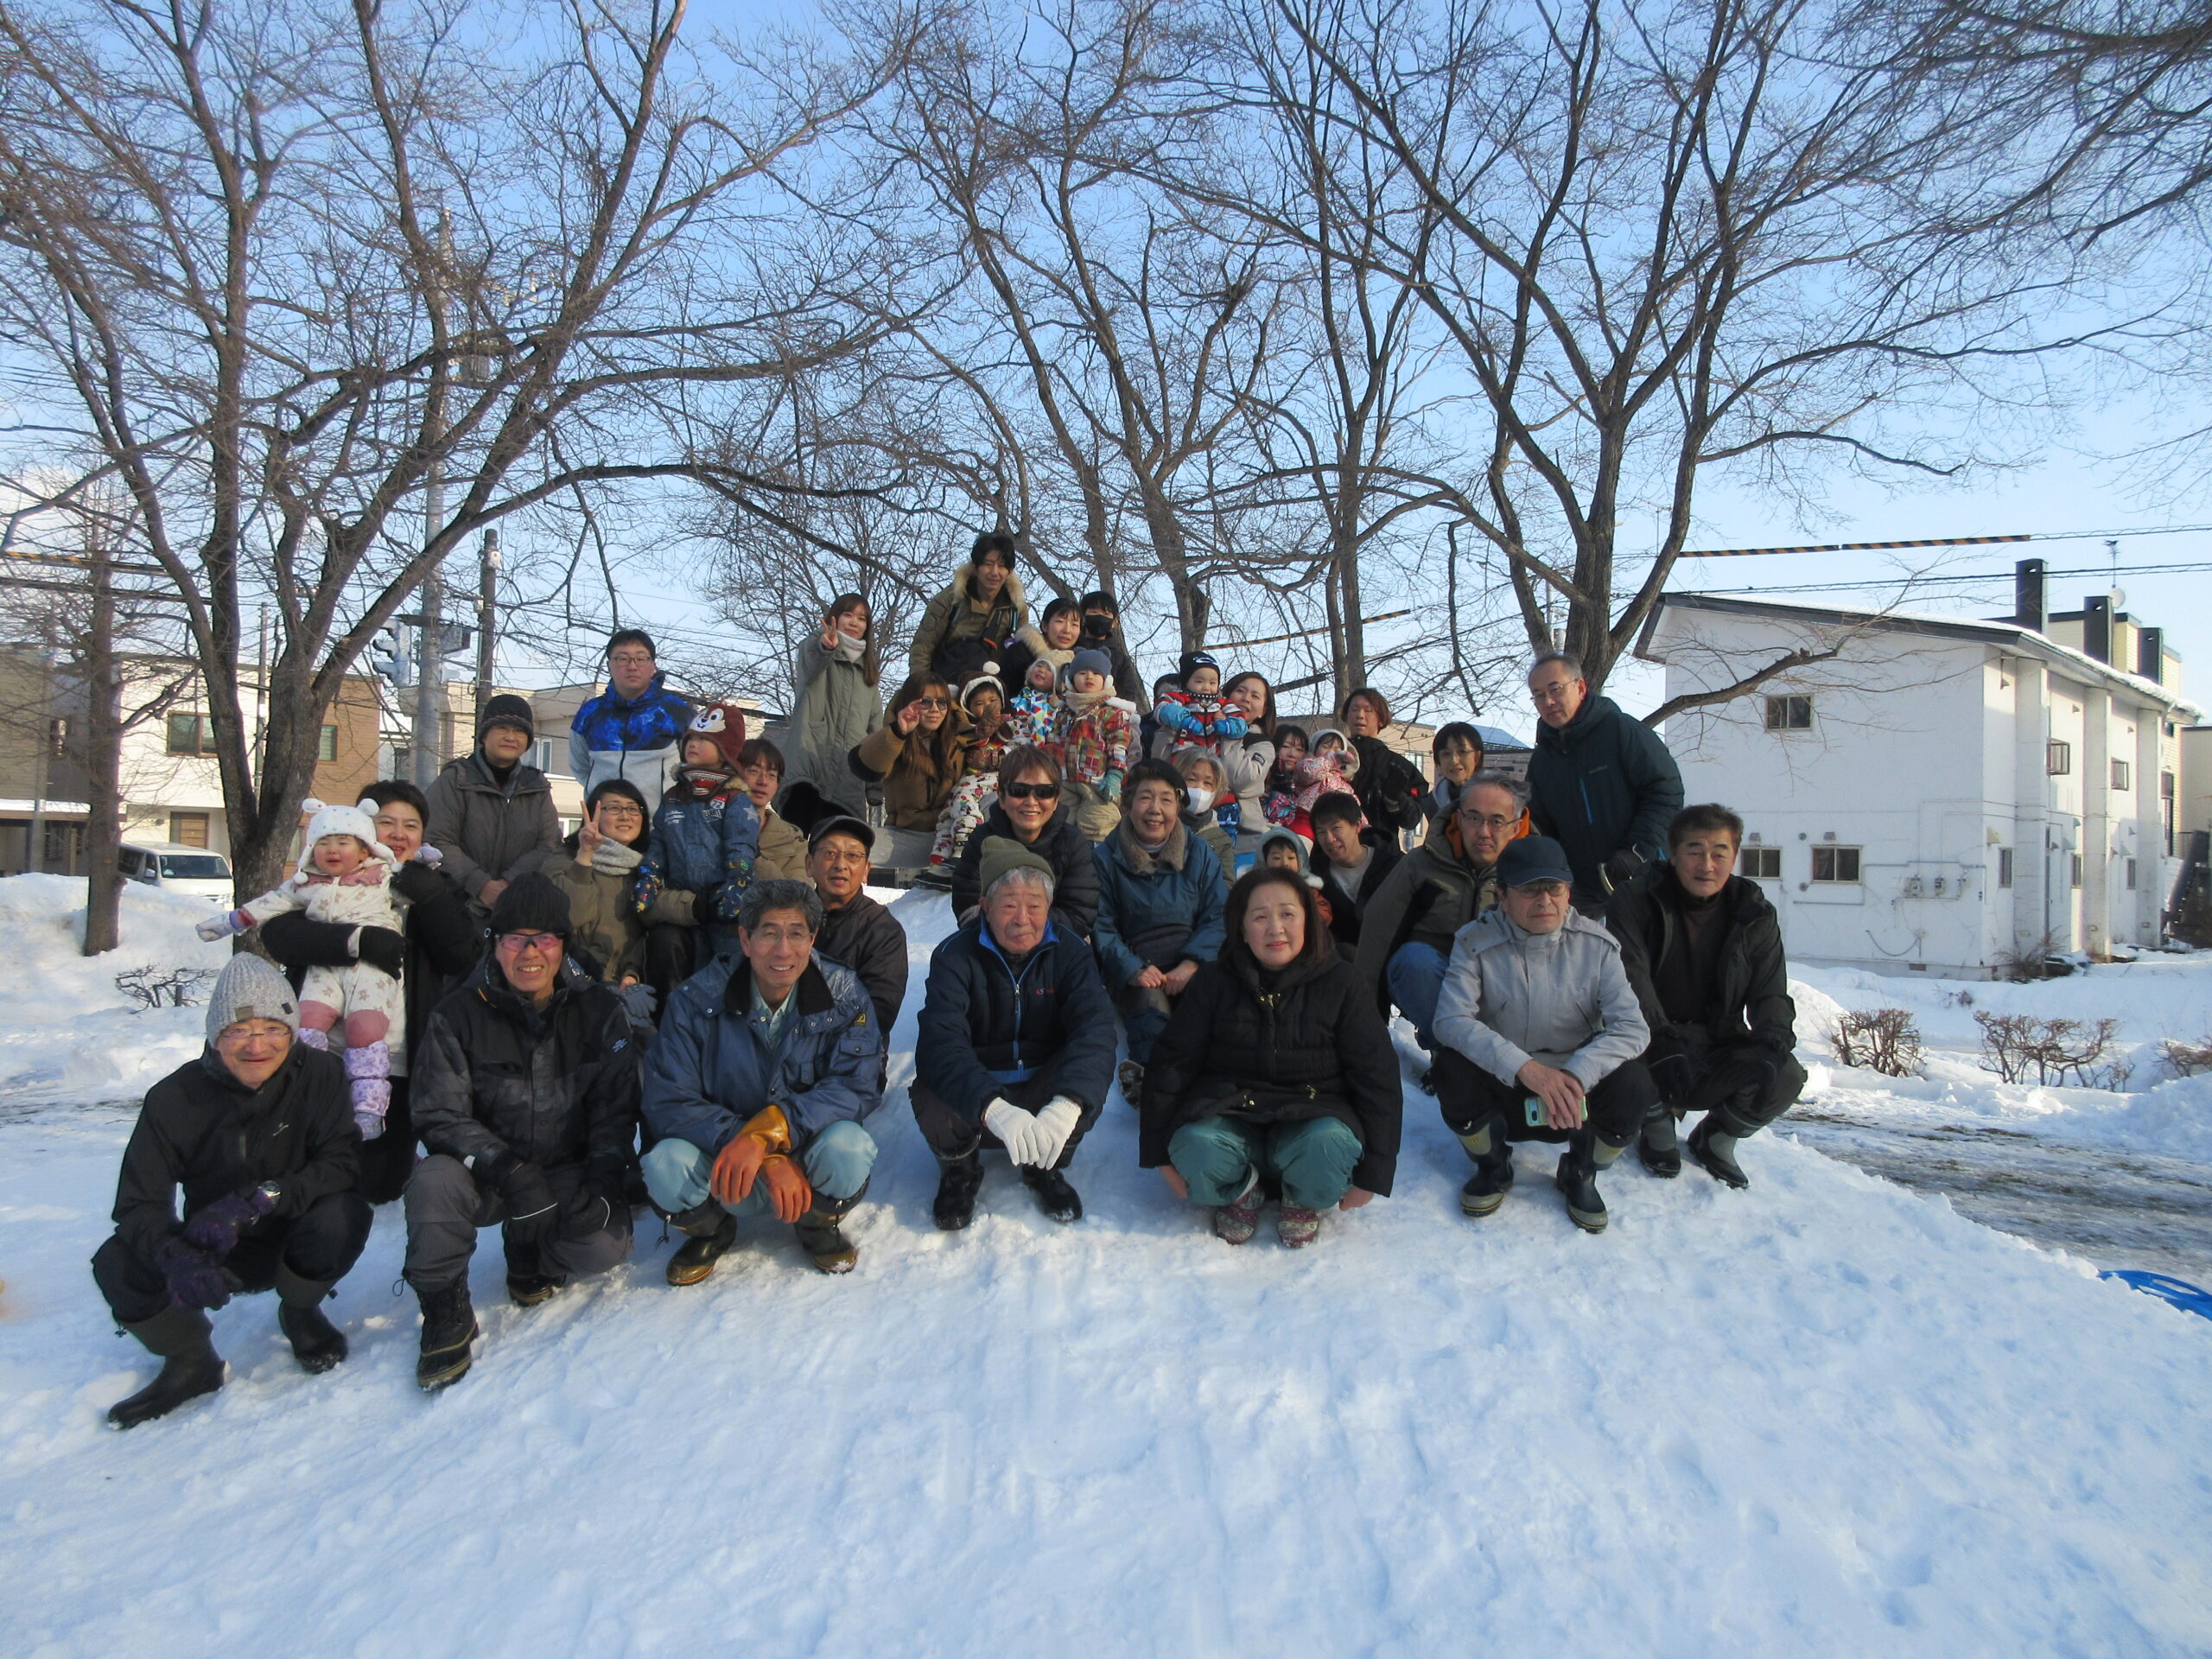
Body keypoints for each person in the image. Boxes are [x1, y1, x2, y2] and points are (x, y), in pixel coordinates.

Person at [92, 955, 371, 1427]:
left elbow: (340, 1164)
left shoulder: (321, 1074)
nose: (257, 1046)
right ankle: (191, 1361)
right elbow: (137, 1204)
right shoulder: (172, 1099)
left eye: (273, 1029)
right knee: (116, 1261)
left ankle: (300, 1310)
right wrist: (174, 1253)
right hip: (214, 1246)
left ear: (292, 1031)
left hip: (292, 1229)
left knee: (344, 1214)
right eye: (238, 1031)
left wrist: (264, 1198)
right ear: (214, 1035)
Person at [402, 874, 639, 1389]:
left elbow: (615, 1106)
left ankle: (530, 1248)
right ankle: (444, 1309)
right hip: (490, 1175)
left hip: (564, 1168)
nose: (530, 952)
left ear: (563, 944)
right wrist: (507, 1169)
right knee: (434, 1181)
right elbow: (438, 1113)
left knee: (604, 1247)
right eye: (515, 938)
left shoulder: (599, 1009)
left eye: (544, 938)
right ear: (495, 942)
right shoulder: (458, 1013)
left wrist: (604, 1176)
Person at [1142, 868, 1402, 1249]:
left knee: (1330, 1144)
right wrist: (1159, 1155)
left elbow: (1377, 1077)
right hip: (1231, 1118)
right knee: (1193, 1145)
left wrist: (1375, 1173)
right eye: (1260, 916)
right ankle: (1240, 1191)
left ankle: (1301, 1196)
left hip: (1311, 1122)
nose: (1275, 928)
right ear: (1241, 927)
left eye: (1287, 914)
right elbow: (1171, 1065)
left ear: (1308, 920)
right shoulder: (1213, 982)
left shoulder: (1344, 983)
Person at [640, 879, 884, 1279]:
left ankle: (816, 1224)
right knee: (666, 1162)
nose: (783, 950)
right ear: (745, 939)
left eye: (796, 934)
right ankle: (712, 1230)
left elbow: (856, 1085)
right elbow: (668, 1099)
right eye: (769, 934)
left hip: (804, 1157)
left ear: (813, 939)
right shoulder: (695, 999)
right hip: (726, 1159)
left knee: (849, 1147)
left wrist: (775, 1129)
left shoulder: (845, 994)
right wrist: (753, 1146)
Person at [261, 780, 480, 1205]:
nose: (399, 834)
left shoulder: (434, 886)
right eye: (387, 822)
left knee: (379, 1185)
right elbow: (279, 935)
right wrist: (356, 941)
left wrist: (429, 894)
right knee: (314, 1173)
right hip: (324, 1046)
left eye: (411, 825)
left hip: (397, 1055)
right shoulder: (323, 879)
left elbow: (464, 955)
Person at [1432, 836, 1656, 1234]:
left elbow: (1632, 1028)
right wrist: (1525, 1068)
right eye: (1530, 889)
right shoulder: (1473, 942)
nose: (1545, 900)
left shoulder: (1598, 946)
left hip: (1574, 1097)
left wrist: (1576, 1074)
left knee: (1635, 1082)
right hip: (1507, 1083)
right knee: (1450, 1067)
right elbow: (1450, 1019)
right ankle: (1493, 1166)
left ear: (1569, 891)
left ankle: (1581, 1171)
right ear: (1502, 895)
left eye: (1554, 888)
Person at [914, 842, 1117, 1230]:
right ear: (985, 907)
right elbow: (941, 1040)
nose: (1023, 919)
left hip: (1042, 1087)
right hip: (979, 1097)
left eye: (1034, 905)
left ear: (1049, 906)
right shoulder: (954, 956)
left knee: (1085, 1076)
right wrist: (991, 1106)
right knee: (931, 1086)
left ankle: (1045, 1166)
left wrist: (1067, 1104)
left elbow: (1095, 1030)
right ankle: (960, 1170)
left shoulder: (1072, 953)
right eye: (1008, 905)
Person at [1606, 804, 1806, 1187]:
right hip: (1646, 1039)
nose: (1707, 865)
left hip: (1717, 1040)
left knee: (1786, 1074)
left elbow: (1770, 991)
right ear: (1673, 854)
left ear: (1735, 855)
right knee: (1618, 1062)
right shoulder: (1635, 899)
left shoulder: (1753, 911)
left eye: (1719, 853)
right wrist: (1660, 1038)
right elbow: (1629, 977)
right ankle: (1656, 1123)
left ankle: (1717, 1138)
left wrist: (1772, 1042)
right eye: (1695, 851)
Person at [196, 798, 406, 1139]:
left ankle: (368, 1108)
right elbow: (270, 904)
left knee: (365, 1031)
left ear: (364, 851)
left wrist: (429, 867)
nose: (332, 850)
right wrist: (230, 922)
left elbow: (419, 890)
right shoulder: (305, 884)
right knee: (307, 1024)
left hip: (371, 969)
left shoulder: (382, 877)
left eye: (343, 842)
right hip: (324, 965)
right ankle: (305, 1092)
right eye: (324, 843)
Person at [1354, 772, 1525, 1067]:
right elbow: (1378, 931)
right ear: (1459, 817)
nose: (1484, 832)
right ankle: (1450, 1055)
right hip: (1438, 980)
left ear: (1516, 826)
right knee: (1413, 962)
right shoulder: (1422, 863)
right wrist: (1365, 1018)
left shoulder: (1532, 875)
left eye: (1496, 821)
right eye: (1474, 818)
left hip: (1506, 986)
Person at [1091, 759, 1228, 1106]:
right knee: (1150, 1010)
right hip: (1140, 970)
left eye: (1166, 800)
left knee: (1208, 1007)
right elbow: (1101, 925)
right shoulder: (1105, 858)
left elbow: (1218, 915)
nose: (1155, 809)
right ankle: (1155, 1083)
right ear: (1128, 805)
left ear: (1178, 808)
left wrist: (1193, 963)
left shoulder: (1199, 852)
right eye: (1145, 797)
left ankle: (1213, 1080)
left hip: (1192, 964)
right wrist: (1133, 969)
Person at [1525, 652, 1685, 912]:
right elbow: (1540, 826)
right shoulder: (1542, 761)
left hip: (1645, 878)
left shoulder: (1621, 731)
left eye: (1555, 689)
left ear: (1580, 687)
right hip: (1581, 891)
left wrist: (1636, 852)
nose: (1549, 701)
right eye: (1539, 695)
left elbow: (1666, 792)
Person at [632, 703, 764, 1001]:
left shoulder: (734, 798)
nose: (694, 743)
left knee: (725, 976)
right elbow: (659, 842)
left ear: (725, 750)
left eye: (705, 739)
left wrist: (737, 882)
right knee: (685, 974)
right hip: (685, 907)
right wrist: (650, 876)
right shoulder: (673, 797)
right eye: (691, 738)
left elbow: (741, 844)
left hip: (725, 908)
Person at [425, 692, 560, 910]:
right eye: (502, 728)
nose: (510, 737)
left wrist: (508, 883)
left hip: (518, 905)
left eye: (519, 731)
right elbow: (437, 839)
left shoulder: (536, 786)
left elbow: (549, 845)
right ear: (484, 735)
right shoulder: (456, 779)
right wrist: (480, 884)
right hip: (458, 904)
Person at [950, 745, 1101, 937]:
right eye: (1019, 790)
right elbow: (968, 906)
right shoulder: (982, 841)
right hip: (993, 942)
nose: (1031, 801)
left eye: (1044, 792)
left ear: (1056, 800)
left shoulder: (1072, 842)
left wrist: (1026, 929)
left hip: (1057, 942)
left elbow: (1080, 914)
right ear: (1001, 797)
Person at [804, 810, 908, 1042]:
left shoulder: (883, 930)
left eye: (853, 856)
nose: (840, 864)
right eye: (829, 853)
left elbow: (878, 1014)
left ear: (866, 870)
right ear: (809, 864)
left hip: (853, 1053)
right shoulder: (789, 918)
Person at [568, 628, 695, 811]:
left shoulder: (677, 712)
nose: (632, 666)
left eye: (641, 659)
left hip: (661, 824)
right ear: (609, 665)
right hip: (603, 823)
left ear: (653, 666)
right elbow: (580, 767)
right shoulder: (590, 713)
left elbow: (694, 767)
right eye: (622, 659)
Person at [849, 674, 969, 866]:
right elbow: (866, 767)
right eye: (925, 702)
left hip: (952, 835)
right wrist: (899, 732)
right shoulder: (895, 738)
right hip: (906, 837)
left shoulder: (963, 740)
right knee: (849, 847)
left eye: (941, 703)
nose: (935, 709)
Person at [545, 778, 655, 988]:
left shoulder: (649, 868)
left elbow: (650, 933)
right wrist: (585, 854)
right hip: (576, 981)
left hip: (629, 983)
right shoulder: (562, 860)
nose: (625, 816)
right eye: (614, 808)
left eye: (633, 809)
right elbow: (567, 918)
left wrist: (633, 973)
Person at [785, 594, 885, 801]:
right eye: (848, 615)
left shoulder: (868, 675)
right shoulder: (815, 648)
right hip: (809, 767)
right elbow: (811, 661)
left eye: (861, 618)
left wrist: (874, 785)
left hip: (849, 778)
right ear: (835, 617)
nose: (854, 622)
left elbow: (875, 732)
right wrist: (826, 647)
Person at [908, 532, 1043, 683]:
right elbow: (923, 648)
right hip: (946, 682)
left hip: (992, 686)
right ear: (975, 567)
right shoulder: (950, 599)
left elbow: (1019, 656)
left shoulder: (1016, 609)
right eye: (988, 564)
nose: (994, 572)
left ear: (1009, 572)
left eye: (1002, 566)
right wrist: (923, 688)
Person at [1047, 647, 1135, 841]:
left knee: (1098, 821)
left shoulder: (1111, 712)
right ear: (1071, 679)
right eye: (1082, 673)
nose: (1089, 677)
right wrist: (1048, 770)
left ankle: (1097, 852)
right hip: (1064, 780)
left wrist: (1115, 775)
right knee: (1061, 822)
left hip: (1097, 782)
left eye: (1096, 673)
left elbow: (1119, 746)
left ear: (1107, 680)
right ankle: (1064, 853)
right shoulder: (1064, 713)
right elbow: (1053, 743)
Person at [930, 669, 1014, 872]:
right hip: (970, 779)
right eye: (979, 703)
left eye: (993, 701)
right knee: (948, 811)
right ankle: (940, 857)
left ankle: (965, 846)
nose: (988, 707)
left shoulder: (1012, 724)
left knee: (964, 799)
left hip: (998, 779)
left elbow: (1020, 748)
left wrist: (999, 756)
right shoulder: (966, 729)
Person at [1309, 791, 1402, 957]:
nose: (1329, 839)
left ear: (1357, 826)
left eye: (1336, 828)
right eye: (1321, 832)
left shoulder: (1394, 866)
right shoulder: (1315, 875)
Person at [1339, 686, 1426, 844]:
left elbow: (1411, 820)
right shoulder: (1332, 759)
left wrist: (1396, 799)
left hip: (1382, 852)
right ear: (1346, 716)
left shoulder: (1399, 767)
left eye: (1368, 710)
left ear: (1381, 719)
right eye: (1354, 710)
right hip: (1333, 849)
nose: (1360, 715)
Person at [737, 737, 810, 881]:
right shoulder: (706, 828)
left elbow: (797, 892)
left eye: (772, 775)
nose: (763, 781)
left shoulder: (794, 842)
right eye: (753, 771)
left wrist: (755, 857)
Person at [1220, 672, 1278, 850]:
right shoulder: (1201, 731)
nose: (1246, 698)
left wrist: (1231, 733)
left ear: (1263, 711)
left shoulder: (1263, 745)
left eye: (1255, 696)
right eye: (1240, 691)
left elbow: (1240, 780)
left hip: (1244, 839)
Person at [1169, 746, 1237, 880]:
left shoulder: (1221, 840)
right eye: (1191, 779)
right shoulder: (1160, 826)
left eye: (1207, 783)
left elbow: (1226, 884)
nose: (1199, 788)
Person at [1000, 594, 1084, 701]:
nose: (1067, 630)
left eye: (1074, 625)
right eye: (1060, 621)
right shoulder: (1020, 653)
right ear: (1044, 626)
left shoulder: (1080, 664)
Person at [1079, 589, 1148, 710]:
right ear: (1083, 617)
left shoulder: (1120, 660)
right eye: (1094, 612)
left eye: (1106, 614)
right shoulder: (1071, 649)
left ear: (1114, 622)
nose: (1100, 617)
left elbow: (1128, 696)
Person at [1421, 722, 1487, 834]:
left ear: (1477, 757)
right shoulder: (1433, 802)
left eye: (1462, 751)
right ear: (1438, 762)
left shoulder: (1499, 797)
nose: (1454, 760)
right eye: (1446, 754)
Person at [1261, 724, 1307, 830]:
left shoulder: (1308, 787)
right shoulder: (1259, 777)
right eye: (1285, 746)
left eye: (1299, 749)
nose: (1292, 754)